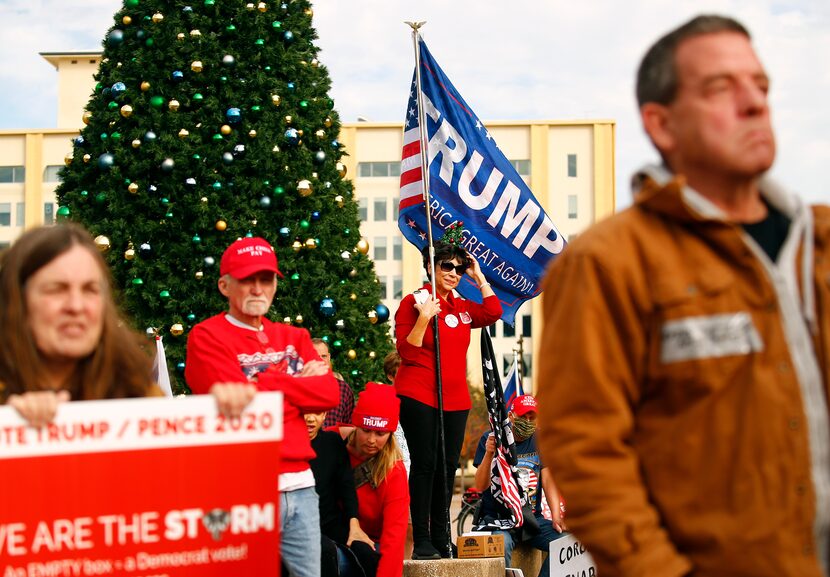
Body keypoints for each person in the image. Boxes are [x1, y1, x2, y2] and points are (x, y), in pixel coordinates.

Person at [536, 14, 830, 577]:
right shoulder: (609, 263)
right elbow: (588, 459)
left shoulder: (817, 247)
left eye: (760, 85)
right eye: (721, 88)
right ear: (661, 124)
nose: (753, 103)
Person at [185, 236, 339, 577]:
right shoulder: (206, 335)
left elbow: (329, 394)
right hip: (243, 486)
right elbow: (243, 410)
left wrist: (264, 383)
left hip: (300, 486)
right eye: (247, 279)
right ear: (225, 285)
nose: (258, 289)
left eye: (265, 279)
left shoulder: (294, 336)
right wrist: (297, 383)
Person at [394, 238, 502, 559]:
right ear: (431, 267)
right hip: (418, 393)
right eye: (447, 266)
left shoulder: (462, 305)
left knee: (448, 467)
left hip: (455, 399)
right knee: (426, 464)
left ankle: (443, 537)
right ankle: (423, 539)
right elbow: (406, 351)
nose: (454, 273)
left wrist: (479, 277)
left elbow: (493, 311)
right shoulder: (413, 302)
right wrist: (425, 317)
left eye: (459, 268)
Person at [0, 224, 157, 425]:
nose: (76, 306)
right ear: (17, 301)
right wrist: (11, 423)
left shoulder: (138, 392)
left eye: (89, 290)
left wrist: (211, 416)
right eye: (56, 289)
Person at [473, 395, 565, 577]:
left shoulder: (540, 439)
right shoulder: (491, 437)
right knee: (502, 546)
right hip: (500, 519)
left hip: (532, 519)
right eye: (523, 417)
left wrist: (556, 516)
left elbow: (547, 479)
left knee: (565, 542)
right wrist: (489, 454)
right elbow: (480, 485)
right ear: (511, 415)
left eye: (532, 418)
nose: (528, 422)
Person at [345, 382, 410, 577]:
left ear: (390, 433)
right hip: (336, 537)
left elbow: (394, 539)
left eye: (380, 433)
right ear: (355, 425)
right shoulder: (333, 442)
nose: (372, 440)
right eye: (366, 430)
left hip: (372, 546)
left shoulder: (394, 471)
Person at [306, 410, 375, 577]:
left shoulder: (332, 442)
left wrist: (354, 524)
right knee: (325, 551)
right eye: (305, 411)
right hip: (297, 525)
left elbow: (346, 486)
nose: (310, 418)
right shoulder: (282, 442)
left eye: (317, 412)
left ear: (325, 414)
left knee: (366, 552)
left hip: (330, 522)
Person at [312, 338, 356, 429]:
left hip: (334, 442)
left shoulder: (343, 389)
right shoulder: (296, 388)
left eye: (323, 356)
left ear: (329, 357)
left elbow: (350, 428)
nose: (320, 360)